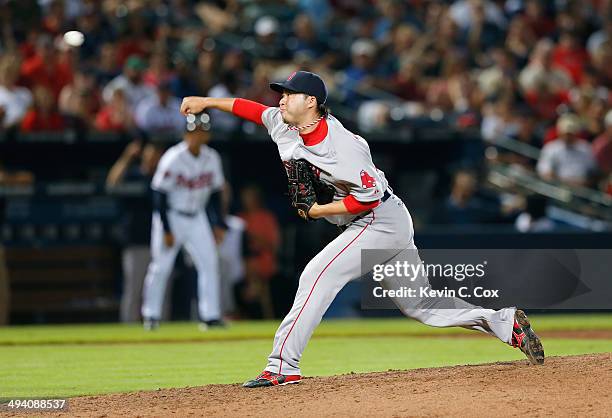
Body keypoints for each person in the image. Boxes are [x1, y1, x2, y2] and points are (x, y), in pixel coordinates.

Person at [179, 70, 544, 389]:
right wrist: (205, 101)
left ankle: (281, 367)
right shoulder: (284, 123)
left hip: (378, 219)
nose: (281, 98)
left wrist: (320, 210)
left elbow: (367, 199)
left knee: (317, 274)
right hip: (382, 220)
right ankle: (505, 322)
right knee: (421, 304)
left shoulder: (343, 146)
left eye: (288, 93)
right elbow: (251, 109)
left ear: (311, 101)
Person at [141, 113, 226, 330]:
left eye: (202, 131)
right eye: (194, 131)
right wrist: (167, 229)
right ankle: (151, 315)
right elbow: (158, 195)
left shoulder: (212, 158)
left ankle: (210, 316)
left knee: (209, 263)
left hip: (197, 217)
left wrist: (218, 224)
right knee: (161, 266)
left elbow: (215, 195)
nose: (198, 135)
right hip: (171, 215)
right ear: (186, 134)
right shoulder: (173, 157)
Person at [106, 140, 163, 323]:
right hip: (136, 240)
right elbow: (111, 184)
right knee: (134, 289)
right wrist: (126, 157)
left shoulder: (164, 176)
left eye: (157, 154)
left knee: (160, 289)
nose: (153, 157)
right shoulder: (133, 175)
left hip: (160, 241)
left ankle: (163, 327)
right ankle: (129, 328)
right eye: (150, 153)